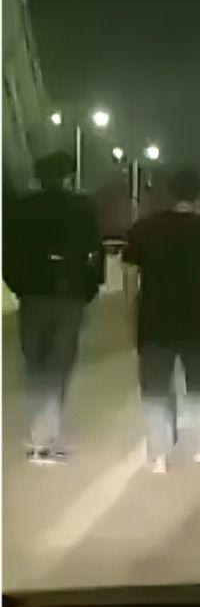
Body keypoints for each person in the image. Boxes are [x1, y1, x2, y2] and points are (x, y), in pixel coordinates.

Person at [123, 168, 200, 474]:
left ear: (169, 194)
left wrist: (130, 310)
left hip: (153, 319)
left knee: (155, 389)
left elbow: (130, 277)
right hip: (196, 321)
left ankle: (159, 454)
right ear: (198, 196)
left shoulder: (144, 229)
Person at [3, 150, 103, 464]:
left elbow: (7, 254)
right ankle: (43, 438)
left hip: (33, 296)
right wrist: (89, 288)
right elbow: (96, 253)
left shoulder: (21, 209)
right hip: (70, 295)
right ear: (68, 176)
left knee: (34, 362)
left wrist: (20, 287)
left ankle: (38, 431)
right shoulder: (83, 208)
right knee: (59, 365)